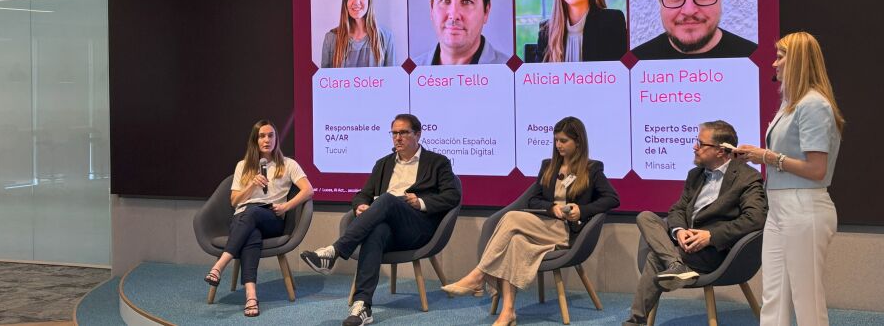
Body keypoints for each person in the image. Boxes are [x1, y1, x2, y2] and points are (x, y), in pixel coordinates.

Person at [441, 116, 619, 326]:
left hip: (566, 232)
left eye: (564, 141)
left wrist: (582, 210)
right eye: (556, 140)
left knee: (511, 217)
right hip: (544, 225)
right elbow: (533, 199)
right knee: (515, 241)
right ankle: (508, 312)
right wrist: (551, 207)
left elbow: (612, 199)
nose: (558, 145)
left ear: (578, 142)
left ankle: (479, 274)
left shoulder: (592, 169)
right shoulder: (548, 166)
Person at [299, 113, 461, 326]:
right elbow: (362, 194)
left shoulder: (438, 162)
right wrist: (361, 206)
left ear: (418, 134)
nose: (398, 138)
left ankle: (334, 251)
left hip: (418, 228)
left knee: (387, 199)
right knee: (376, 231)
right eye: (394, 133)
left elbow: (452, 196)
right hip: (390, 229)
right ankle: (362, 306)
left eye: (404, 133)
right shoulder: (383, 164)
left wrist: (421, 202)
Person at [733, 32, 845, 326]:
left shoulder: (814, 105)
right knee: (773, 296)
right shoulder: (791, 104)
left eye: (780, 56)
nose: (774, 63)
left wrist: (767, 157)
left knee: (807, 300)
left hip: (804, 207)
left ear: (797, 60)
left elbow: (817, 169)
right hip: (780, 208)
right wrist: (761, 155)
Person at [624, 120, 767, 326]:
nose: (694, 147)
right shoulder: (696, 175)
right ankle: (676, 264)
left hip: (715, 251)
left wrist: (711, 236)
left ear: (720, 150)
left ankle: (635, 322)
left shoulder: (747, 177)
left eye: (700, 143)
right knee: (645, 216)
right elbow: (678, 209)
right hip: (684, 242)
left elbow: (755, 218)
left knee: (655, 258)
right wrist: (679, 231)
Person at [203, 119, 314, 318]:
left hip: (271, 218)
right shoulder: (243, 166)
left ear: (276, 139)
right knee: (251, 234)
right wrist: (252, 185)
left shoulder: (288, 164)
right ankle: (251, 296)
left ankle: (220, 265)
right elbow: (234, 201)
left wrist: (286, 206)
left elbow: (308, 190)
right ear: (255, 140)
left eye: (271, 135)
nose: (266, 140)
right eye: (262, 136)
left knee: (252, 213)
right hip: (244, 218)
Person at [412, 0, 509, 65]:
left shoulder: (510, 70)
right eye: (445, 0)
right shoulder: (410, 70)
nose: (454, 15)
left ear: (486, 11)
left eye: (467, 2)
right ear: (432, 8)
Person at [321, 0, 395, 68]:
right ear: (346, 1)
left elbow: (391, 77)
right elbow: (324, 77)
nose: (356, 2)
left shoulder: (386, 39)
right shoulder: (330, 39)